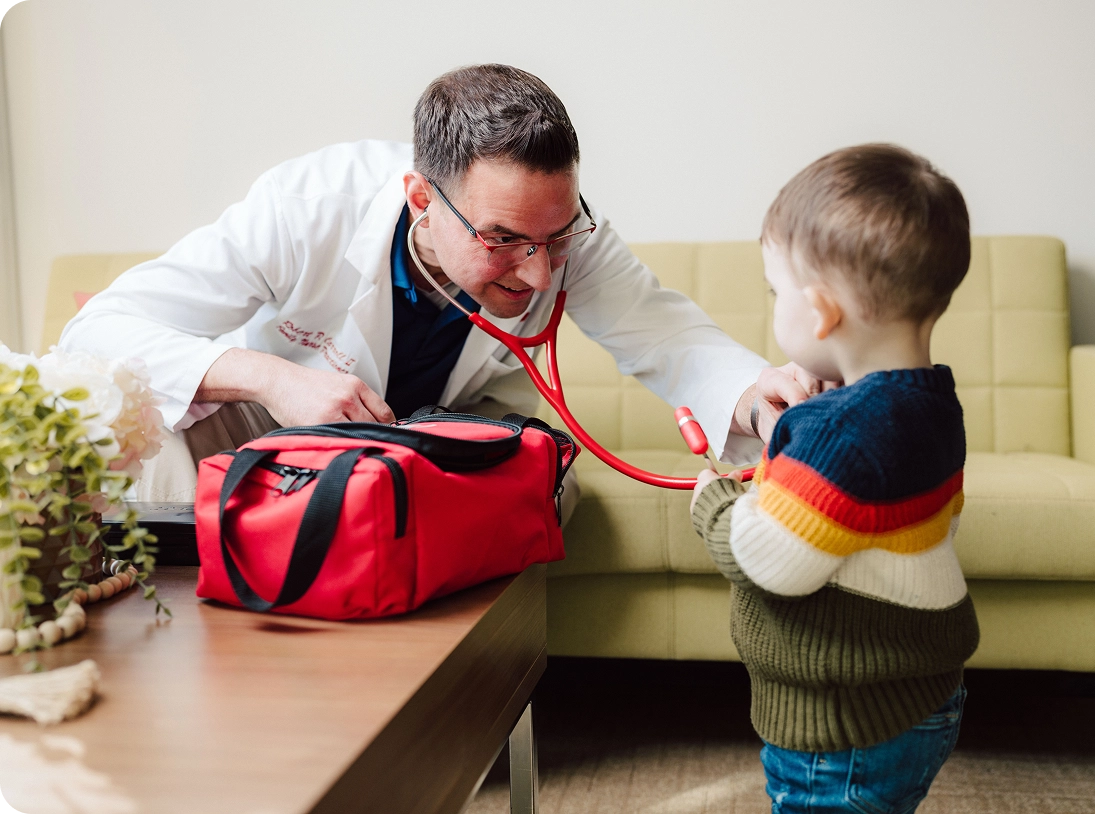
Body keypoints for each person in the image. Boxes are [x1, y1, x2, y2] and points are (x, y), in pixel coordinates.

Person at [60, 64, 817, 507]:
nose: (537, 270)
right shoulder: (310, 206)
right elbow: (100, 333)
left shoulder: (565, 231)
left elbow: (666, 335)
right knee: (142, 431)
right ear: (424, 200)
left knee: (550, 488)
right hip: (267, 427)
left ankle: (454, 709)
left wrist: (759, 397)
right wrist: (275, 378)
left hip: (430, 445)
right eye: (502, 241)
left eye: (555, 239)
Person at [689, 144, 981, 814]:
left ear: (821, 313)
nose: (772, 303)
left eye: (774, 290)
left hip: (844, 726)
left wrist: (717, 501)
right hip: (917, 698)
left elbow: (773, 560)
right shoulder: (930, 401)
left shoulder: (841, 432)